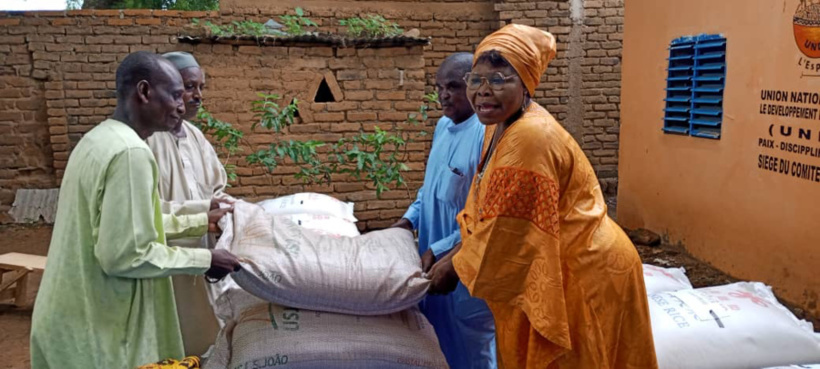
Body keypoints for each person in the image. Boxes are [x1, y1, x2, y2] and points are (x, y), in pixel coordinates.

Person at [426, 24, 659, 369]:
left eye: (500, 80)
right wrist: (452, 252)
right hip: (563, 258)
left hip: (583, 270)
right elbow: (487, 209)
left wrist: (454, 266)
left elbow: (507, 231)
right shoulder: (497, 125)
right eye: (476, 80)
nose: (483, 92)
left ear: (525, 84)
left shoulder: (530, 138)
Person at [30, 51, 241, 369]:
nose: (182, 104)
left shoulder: (98, 139)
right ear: (144, 92)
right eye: (175, 93)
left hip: (68, 318)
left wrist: (198, 220)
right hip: (101, 328)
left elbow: (132, 220)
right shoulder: (132, 153)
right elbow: (127, 254)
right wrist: (206, 260)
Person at [391, 52, 497, 369]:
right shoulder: (443, 127)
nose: (443, 95)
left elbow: (486, 215)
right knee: (437, 345)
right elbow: (430, 189)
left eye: (453, 86)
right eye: (439, 87)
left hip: (464, 272)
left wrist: (439, 251)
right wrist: (406, 221)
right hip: (431, 265)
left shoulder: (486, 136)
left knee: (471, 352)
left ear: (476, 88)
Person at [146, 51, 231, 356]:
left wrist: (229, 213)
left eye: (201, 88)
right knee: (172, 332)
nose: (197, 97)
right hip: (167, 259)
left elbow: (217, 186)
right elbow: (144, 212)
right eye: (189, 87)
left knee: (208, 327)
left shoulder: (195, 136)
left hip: (204, 251)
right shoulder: (146, 142)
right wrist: (202, 214)